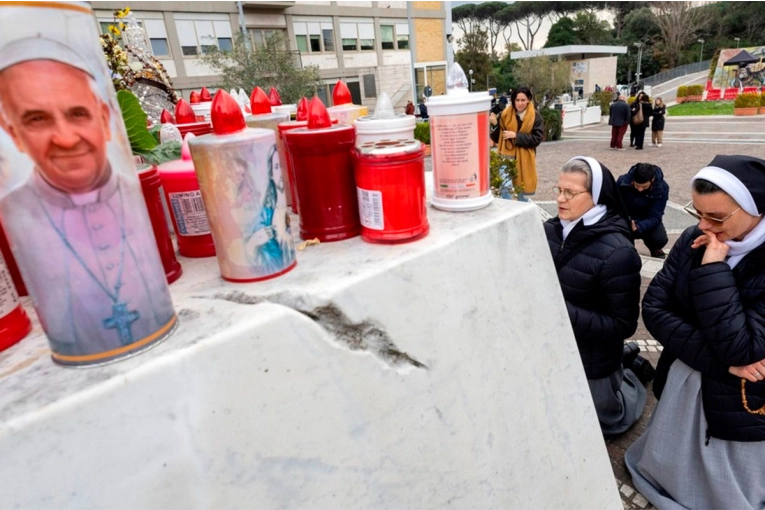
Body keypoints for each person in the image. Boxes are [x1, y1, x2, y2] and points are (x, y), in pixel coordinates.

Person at [0, 38, 176, 359]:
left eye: (78, 114)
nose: (66, 139)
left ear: (104, 118)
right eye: (37, 119)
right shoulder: (16, 212)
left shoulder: (136, 194)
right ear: (12, 133)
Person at [626, 155, 765, 509]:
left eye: (716, 217)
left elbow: (742, 349)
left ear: (757, 208)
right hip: (690, 376)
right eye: (698, 213)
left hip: (738, 402)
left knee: (726, 476)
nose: (704, 225)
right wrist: (718, 364)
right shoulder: (693, 237)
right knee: (671, 448)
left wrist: (714, 269)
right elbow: (654, 309)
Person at [544, 156, 646, 436]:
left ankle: (627, 377)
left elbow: (623, 325)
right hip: (552, 346)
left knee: (606, 423)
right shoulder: (550, 230)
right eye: (558, 190)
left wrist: (562, 311)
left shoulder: (618, 254)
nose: (560, 199)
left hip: (591, 358)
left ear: (597, 195)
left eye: (570, 193)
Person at [490, 86, 543, 201]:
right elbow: (497, 137)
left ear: (529, 99)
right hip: (506, 156)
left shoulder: (535, 116)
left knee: (521, 192)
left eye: (523, 100)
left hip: (524, 158)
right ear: (513, 100)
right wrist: (494, 124)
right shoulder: (505, 114)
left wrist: (516, 136)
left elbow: (537, 139)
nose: (520, 103)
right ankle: (508, 209)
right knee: (505, 186)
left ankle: (523, 212)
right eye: (517, 100)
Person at [617, 163, 669, 258]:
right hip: (627, 217)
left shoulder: (662, 188)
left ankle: (655, 248)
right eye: (637, 186)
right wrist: (625, 221)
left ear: (652, 180)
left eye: (644, 187)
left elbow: (656, 216)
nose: (640, 189)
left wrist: (639, 226)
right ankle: (628, 252)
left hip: (648, 218)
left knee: (659, 239)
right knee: (622, 244)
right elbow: (615, 205)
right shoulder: (622, 182)